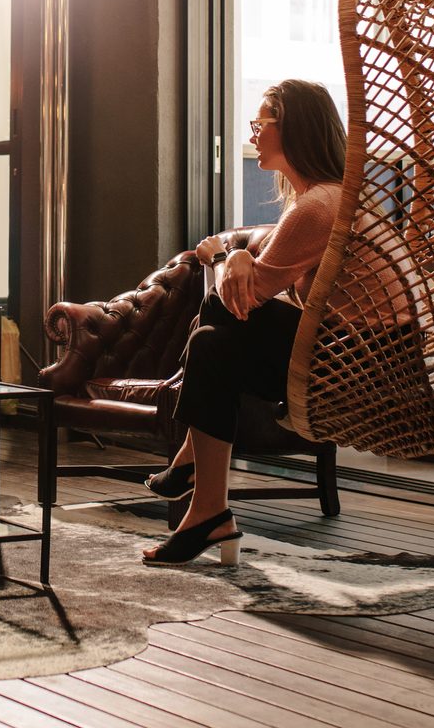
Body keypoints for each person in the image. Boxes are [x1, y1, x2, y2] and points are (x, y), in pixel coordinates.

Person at [141, 79, 346, 567]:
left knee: (216, 327)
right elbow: (250, 287)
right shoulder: (323, 199)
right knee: (212, 342)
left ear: (293, 129)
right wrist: (236, 260)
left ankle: (200, 486)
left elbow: (240, 298)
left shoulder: (318, 206)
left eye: (261, 122)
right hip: (342, 348)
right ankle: (206, 505)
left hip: (351, 362)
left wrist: (223, 255)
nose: (252, 133)